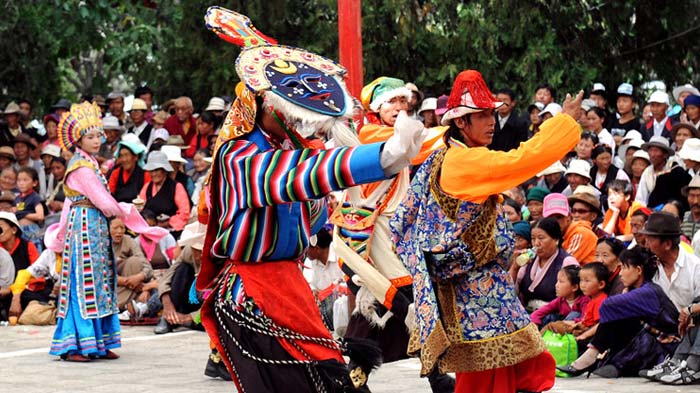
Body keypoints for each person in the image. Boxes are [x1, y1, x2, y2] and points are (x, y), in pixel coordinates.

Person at [197, 8, 425, 392]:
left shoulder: (285, 146)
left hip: (287, 286)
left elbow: (314, 206)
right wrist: (382, 156)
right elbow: (299, 173)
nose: (300, 118)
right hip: (255, 291)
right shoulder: (240, 156)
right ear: (262, 105)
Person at [390, 66, 583, 391]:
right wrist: (564, 122)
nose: (492, 121)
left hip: (476, 286)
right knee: (499, 370)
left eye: (492, 113)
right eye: (481, 115)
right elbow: (523, 160)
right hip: (474, 291)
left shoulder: (447, 155)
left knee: (519, 362)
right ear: (461, 122)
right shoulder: (466, 162)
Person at [335, 75, 452, 392]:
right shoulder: (375, 134)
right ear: (377, 107)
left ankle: (429, 374)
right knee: (398, 299)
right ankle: (434, 375)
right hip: (376, 233)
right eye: (392, 102)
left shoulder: (393, 133)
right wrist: (453, 125)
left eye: (403, 101)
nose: (400, 107)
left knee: (393, 301)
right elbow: (417, 144)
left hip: (395, 229)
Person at [46, 101, 167, 362]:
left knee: (100, 282)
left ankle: (98, 343)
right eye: (90, 136)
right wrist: (125, 209)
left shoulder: (89, 165)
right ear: (78, 140)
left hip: (95, 226)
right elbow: (103, 201)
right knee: (84, 283)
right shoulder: (81, 168)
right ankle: (76, 345)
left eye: (98, 135)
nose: (96, 140)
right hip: (85, 228)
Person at [558, 247, 679, 378]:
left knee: (617, 311)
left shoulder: (648, 291)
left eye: (624, 268)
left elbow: (606, 306)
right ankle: (600, 359)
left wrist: (624, 295)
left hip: (664, 348)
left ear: (638, 270)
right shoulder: (639, 289)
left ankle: (599, 359)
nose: (620, 273)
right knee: (620, 315)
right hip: (645, 344)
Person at [516, 216, 579, 310]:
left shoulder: (566, 262)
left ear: (556, 240)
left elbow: (572, 298)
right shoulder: (528, 259)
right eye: (533, 239)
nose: (536, 243)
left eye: (541, 238)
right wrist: (514, 268)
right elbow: (512, 292)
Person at [642, 212, 700, 311]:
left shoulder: (695, 267)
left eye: (650, 240)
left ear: (667, 244)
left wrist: (690, 312)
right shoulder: (648, 265)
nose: (646, 244)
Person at [138, 151, 189, 234]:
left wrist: (168, 223)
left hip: (170, 232)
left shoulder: (176, 187)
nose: (153, 174)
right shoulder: (147, 187)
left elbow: (184, 213)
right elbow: (140, 206)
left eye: (157, 170)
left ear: (165, 170)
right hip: (148, 231)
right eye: (151, 170)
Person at [543, 193, 597, 264]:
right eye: (550, 218)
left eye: (559, 217)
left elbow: (562, 265)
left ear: (568, 217)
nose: (554, 222)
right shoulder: (552, 235)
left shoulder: (581, 232)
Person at [108, 136, 150, 203]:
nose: (124, 159)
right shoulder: (116, 173)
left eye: (127, 155)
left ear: (135, 157)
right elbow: (109, 195)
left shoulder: (145, 175)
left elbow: (147, 198)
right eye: (121, 156)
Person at [488, 87, 527, 152]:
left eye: (505, 100)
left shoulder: (520, 123)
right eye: (499, 101)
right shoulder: (489, 120)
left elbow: (520, 148)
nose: (502, 104)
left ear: (513, 103)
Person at [15, 166, 44, 250]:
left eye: (25, 180)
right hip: (19, 230)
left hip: (31, 231)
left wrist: (24, 214)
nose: (21, 183)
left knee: (35, 253)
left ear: (34, 183)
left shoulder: (35, 197)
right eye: (19, 180)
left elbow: (40, 216)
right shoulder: (17, 198)